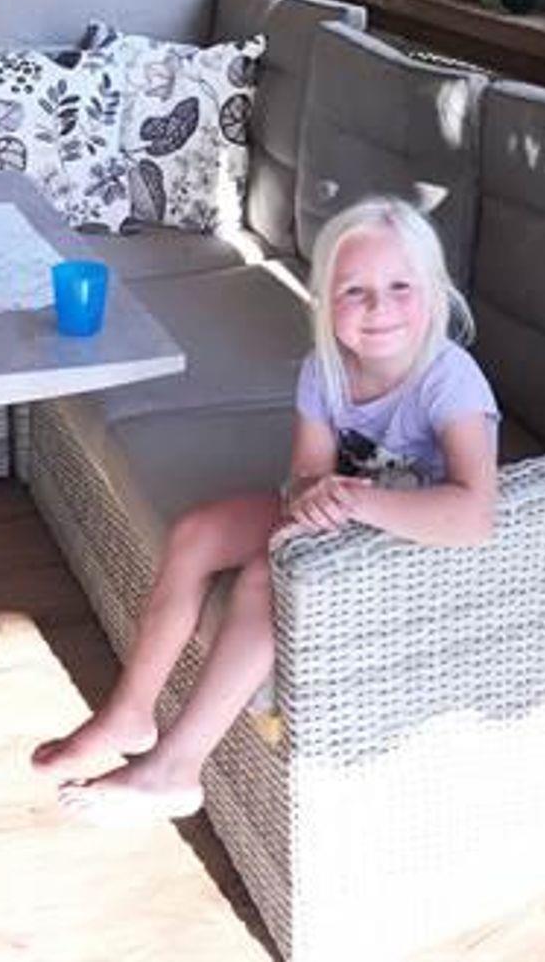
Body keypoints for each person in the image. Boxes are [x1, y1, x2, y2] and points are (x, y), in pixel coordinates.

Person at [31, 196, 499, 824]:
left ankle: (176, 769)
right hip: (340, 513)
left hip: (411, 533)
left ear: (434, 294)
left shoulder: (449, 379)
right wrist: (309, 496)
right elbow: (307, 472)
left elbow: (475, 516)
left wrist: (350, 501)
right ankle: (129, 714)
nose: (378, 308)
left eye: (399, 287)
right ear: (324, 301)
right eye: (354, 291)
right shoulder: (325, 369)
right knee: (196, 534)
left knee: (263, 577)